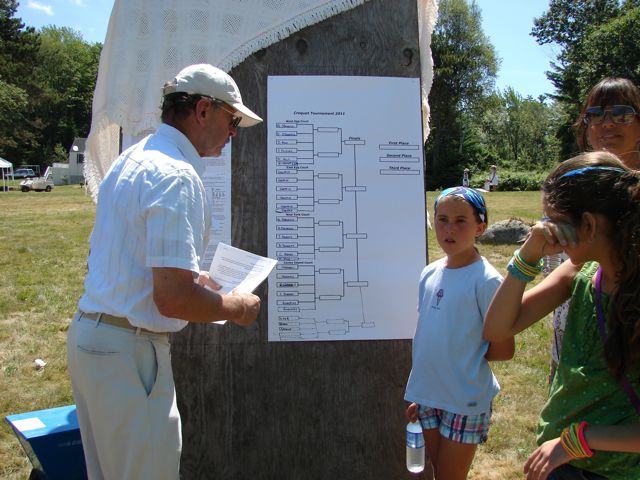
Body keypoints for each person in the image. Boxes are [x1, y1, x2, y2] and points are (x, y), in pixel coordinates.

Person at [67, 64, 263, 480]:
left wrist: (195, 279)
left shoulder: (134, 158)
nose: (233, 133)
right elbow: (172, 298)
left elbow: (131, 257)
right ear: (203, 110)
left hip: (95, 339)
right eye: (232, 121)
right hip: (129, 352)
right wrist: (236, 307)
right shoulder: (177, 175)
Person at [484, 152, 640, 480]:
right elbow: (497, 330)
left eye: (554, 221)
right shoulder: (579, 274)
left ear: (589, 224)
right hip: (562, 461)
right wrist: (528, 254)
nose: (547, 230)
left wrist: (577, 441)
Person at [404, 187, 515, 479]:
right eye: (442, 220)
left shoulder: (487, 281)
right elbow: (430, 335)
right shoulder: (429, 273)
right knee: (438, 472)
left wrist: (465, 360)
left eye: (460, 221)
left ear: (480, 227)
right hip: (429, 397)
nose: (449, 229)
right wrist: (422, 393)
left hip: (464, 401)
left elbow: (504, 349)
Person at [547, 77, 640, 381]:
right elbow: (555, 265)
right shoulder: (570, 183)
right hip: (570, 342)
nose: (607, 123)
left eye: (622, 113)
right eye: (596, 115)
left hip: (627, 348)